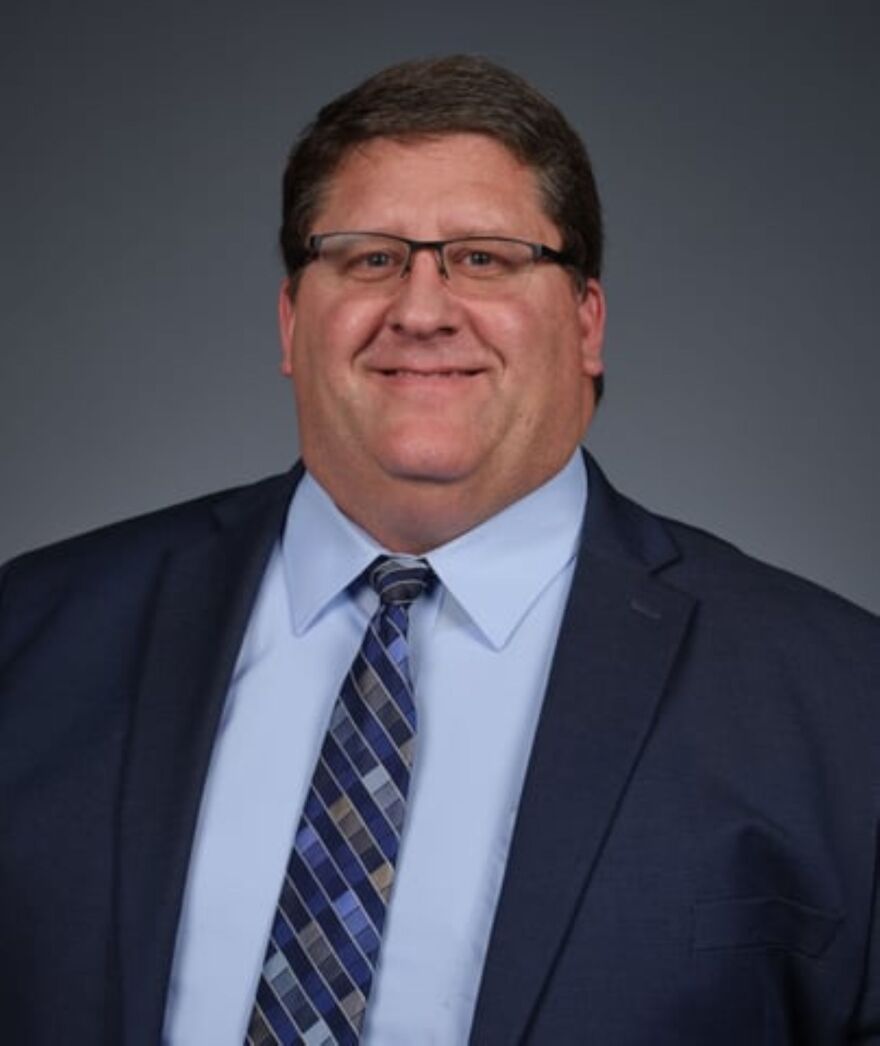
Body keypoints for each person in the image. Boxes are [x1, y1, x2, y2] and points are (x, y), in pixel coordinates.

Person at [0, 54, 878, 1046]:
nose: (419, 309)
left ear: (586, 321)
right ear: (293, 319)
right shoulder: (30, 640)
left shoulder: (842, 701)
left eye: (485, 258)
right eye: (369, 257)